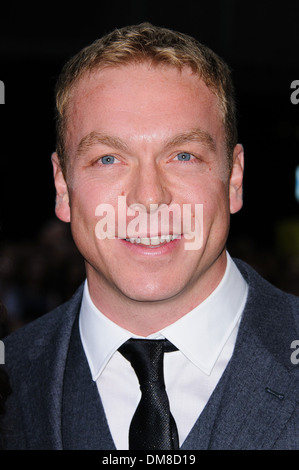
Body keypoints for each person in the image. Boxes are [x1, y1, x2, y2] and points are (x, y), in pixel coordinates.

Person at [2, 23, 299, 450]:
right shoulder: (11, 377)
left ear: (234, 178)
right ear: (62, 188)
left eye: (183, 156)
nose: (148, 197)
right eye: (108, 158)